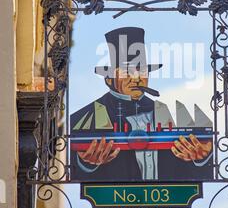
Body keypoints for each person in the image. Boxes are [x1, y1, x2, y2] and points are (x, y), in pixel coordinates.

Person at [70, 27, 213, 181]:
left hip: (164, 199)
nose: (136, 79)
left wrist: (201, 158)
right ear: (109, 79)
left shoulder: (163, 112)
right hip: (119, 199)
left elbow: (187, 170)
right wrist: (86, 164)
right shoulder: (84, 117)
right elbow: (72, 169)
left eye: (142, 71)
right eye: (127, 72)